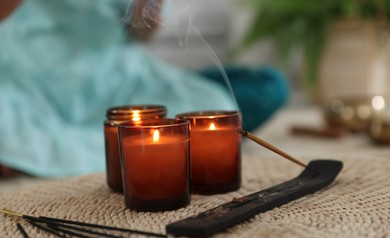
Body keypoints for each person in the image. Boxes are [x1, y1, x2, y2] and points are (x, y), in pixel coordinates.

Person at [0, 0, 289, 178]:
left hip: (122, 79)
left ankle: (33, 154)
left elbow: (142, 32)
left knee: (264, 87)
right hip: (29, 78)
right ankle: (31, 150)